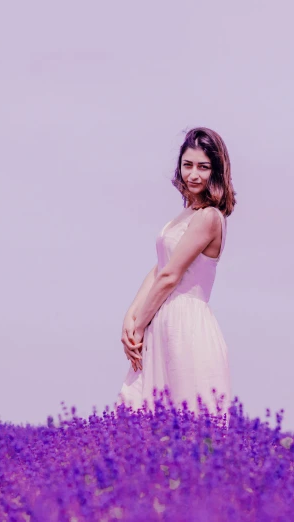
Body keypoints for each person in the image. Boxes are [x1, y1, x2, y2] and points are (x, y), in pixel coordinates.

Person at [117, 127, 237, 422]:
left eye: (203, 167)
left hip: (186, 326)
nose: (193, 174)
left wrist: (139, 326)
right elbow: (160, 267)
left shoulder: (209, 217)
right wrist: (131, 317)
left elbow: (171, 276)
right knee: (141, 419)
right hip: (162, 319)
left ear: (216, 172)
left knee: (191, 425)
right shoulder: (185, 216)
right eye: (188, 165)